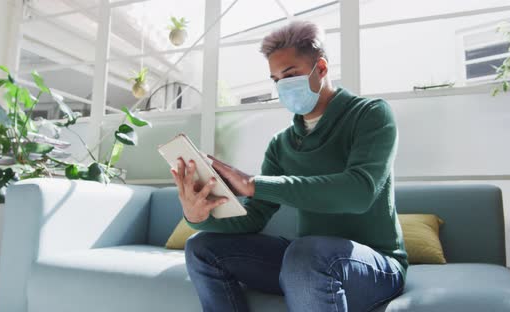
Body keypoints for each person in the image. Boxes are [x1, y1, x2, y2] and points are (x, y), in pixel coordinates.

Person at [171, 20, 408, 312]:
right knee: (201, 248)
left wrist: (255, 183)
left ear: (320, 68)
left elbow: (359, 192)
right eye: (275, 79)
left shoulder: (371, 115)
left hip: (376, 266)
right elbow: (254, 217)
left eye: (290, 74)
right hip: (309, 263)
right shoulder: (282, 144)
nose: (282, 86)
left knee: (305, 253)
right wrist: (197, 216)